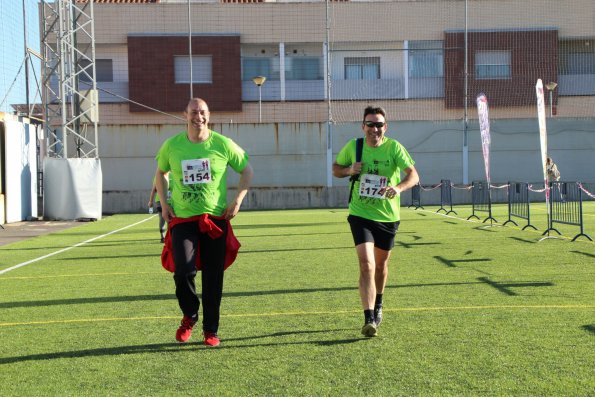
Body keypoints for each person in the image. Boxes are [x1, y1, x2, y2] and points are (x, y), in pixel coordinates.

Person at [155, 97, 253, 347]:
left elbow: (247, 171)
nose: (198, 116)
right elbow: (160, 172)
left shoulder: (222, 144)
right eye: (194, 112)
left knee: (213, 276)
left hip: (215, 220)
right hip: (183, 219)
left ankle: (211, 330)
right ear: (184, 114)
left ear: (209, 115)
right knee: (183, 271)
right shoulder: (172, 146)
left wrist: (238, 200)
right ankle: (190, 314)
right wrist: (165, 204)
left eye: (203, 112)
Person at [332, 106, 419, 338]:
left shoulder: (394, 148)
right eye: (370, 124)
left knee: (380, 266)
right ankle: (368, 317)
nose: (374, 128)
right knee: (366, 265)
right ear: (363, 126)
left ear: (385, 127)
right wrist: (350, 169)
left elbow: (413, 175)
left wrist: (398, 188)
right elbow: (336, 169)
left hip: (388, 217)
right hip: (360, 215)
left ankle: (379, 302)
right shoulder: (355, 146)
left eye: (379, 124)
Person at [148, 174, 170, 243]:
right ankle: (162, 237)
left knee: (170, 218)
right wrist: (151, 201)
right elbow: (154, 190)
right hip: (160, 201)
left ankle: (169, 236)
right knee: (162, 218)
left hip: (171, 200)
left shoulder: (173, 175)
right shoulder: (158, 176)